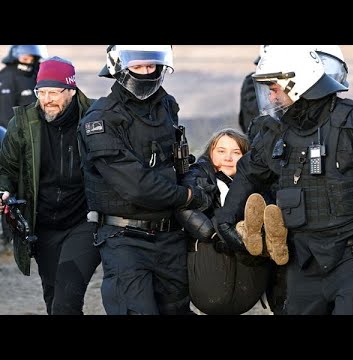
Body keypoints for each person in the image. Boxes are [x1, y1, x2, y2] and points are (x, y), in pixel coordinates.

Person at [214, 45, 353, 315]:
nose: (269, 95)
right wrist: (225, 219)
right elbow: (248, 173)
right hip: (302, 259)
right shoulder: (274, 131)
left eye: (274, 87)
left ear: (298, 83)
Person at [78, 45, 211, 315]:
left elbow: (180, 162)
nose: (146, 73)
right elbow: (135, 185)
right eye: (138, 67)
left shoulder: (167, 106)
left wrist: (197, 178)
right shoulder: (100, 119)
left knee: (176, 309)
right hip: (125, 240)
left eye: (151, 66)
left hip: (170, 236)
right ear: (119, 68)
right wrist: (187, 196)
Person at [0, 56, 101, 315]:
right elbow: (6, 169)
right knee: (53, 299)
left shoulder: (94, 119)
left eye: (54, 92)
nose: (47, 99)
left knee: (66, 302)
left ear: (71, 90)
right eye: (41, 92)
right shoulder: (22, 124)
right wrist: (4, 189)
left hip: (84, 221)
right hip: (42, 226)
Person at [176, 128, 288, 315]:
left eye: (236, 153)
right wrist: (214, 234)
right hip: (211, 256)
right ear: (210, 152)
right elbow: (186, 209)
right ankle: (247, 233)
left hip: (249, 267)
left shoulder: (259, 182)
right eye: (221, 151)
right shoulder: (197, 175)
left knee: (261, 210)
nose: (228, 158)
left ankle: (266, 241)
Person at [0, 45, 48, 247]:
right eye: (25, 55)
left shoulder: (39, 73)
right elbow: (4, 113)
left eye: (32, 55)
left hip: (38, 138)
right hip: (11, 140)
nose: (29, 58)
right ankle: (9, 234)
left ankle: (35, 226)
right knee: (8, 187)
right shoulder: (6, 76)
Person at [0, 45, 48, 128]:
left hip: (39, 127)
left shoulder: (37, 72)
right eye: (25, 59)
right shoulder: (7, 77)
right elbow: (5, 114)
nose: (29, 62)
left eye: (32, 59)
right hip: (19, 130)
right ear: (15, 57)